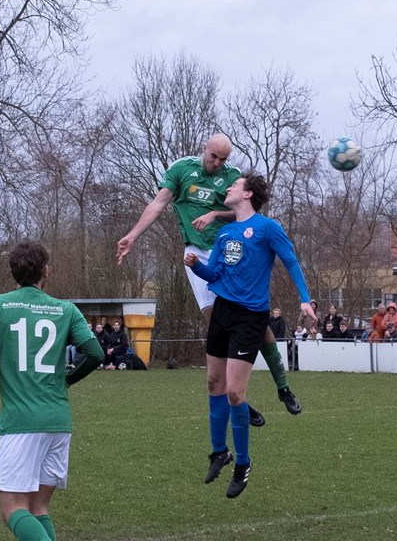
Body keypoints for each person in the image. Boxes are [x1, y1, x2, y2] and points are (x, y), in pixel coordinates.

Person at [116, 133, 301, 424]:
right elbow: (158, 204)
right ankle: (238, 399)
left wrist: (215, 214)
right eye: (214, 156)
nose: (218, 163)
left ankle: (283, 387)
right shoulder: (180, 170)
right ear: (204, 149)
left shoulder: (232, 177)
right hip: (196, 255)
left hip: (229, 250)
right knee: (215, 323)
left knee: (257, 322)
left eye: (223, 158)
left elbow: (242, 212)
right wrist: (132, 236)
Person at [0, 241, 106, 541]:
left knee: (11, 509)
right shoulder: (65, 309)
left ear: (13, 272)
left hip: (21, 423)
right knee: (38, 505)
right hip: (58, 421)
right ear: (46, 270)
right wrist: (67, 381)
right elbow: (94, 354)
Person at [185, 173, 316, 499]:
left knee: (234, 392)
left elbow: (291, 262)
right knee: (214, 385)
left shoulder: (267, 228)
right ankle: (220, 452)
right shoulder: (224, 232)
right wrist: (194, 266)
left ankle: (243, 463)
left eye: (234, 184)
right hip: (223, 311)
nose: (228, 187)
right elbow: (214, 272)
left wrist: (304, 297)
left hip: (250, 318)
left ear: (248, 193)